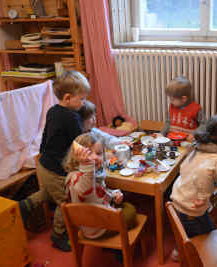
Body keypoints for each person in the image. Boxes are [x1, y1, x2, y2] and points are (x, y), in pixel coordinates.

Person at [19, 70, 90, 251]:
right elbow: (79, 145)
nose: (83, 103)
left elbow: (46, 136)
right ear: (67, 97)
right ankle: (58, 234)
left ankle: (26, 205)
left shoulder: (53, 110)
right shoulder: (72, 118)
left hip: (44, 163)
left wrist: (43, 154)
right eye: (81, 99)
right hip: (58, 169)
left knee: (52, 191)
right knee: (65, 200)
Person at [170, 115, 217, 260]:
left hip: (179, 196)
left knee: (185, 228)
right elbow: (204, 173)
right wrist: (203, 197)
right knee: (207, 235)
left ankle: (178, 249)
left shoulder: (198, 146)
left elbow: (193, 169)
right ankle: (196, 256)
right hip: (192, 206)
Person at [64, 132, 136, 239]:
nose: (94, 157)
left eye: (98, 153)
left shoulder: (94, 174)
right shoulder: (76, 177)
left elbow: (100, 191)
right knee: (131, 210)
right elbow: (86, 190)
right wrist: (87, 165)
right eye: (88, 154)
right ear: (77, 158)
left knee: (126, 205)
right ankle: (117, 250)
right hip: (97, 227)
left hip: (101, 216)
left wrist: (113, 193)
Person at [162, 76, 206, 141]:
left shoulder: (196, 108)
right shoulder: (172, 106)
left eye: (172, 99)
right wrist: (162, 134)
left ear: (183, 99)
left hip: (188, 141)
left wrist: (194, 134)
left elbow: (204, 124)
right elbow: (168, 122)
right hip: (172, 139)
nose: (170, 101)